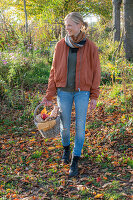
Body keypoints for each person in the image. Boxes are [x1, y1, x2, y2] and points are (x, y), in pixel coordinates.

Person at [41, 12, 101, 177]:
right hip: (63, 91)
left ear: (79, 25)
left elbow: (96, 71)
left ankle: (75, 159)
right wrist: (49, 94)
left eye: (69, 25)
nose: (66, 28)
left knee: (80, 128)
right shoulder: (60, 45)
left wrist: (94, 96)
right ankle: (66, 149)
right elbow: (53, 71)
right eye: (65, 25)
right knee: (65, 127)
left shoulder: (91, 46)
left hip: (83, 92)